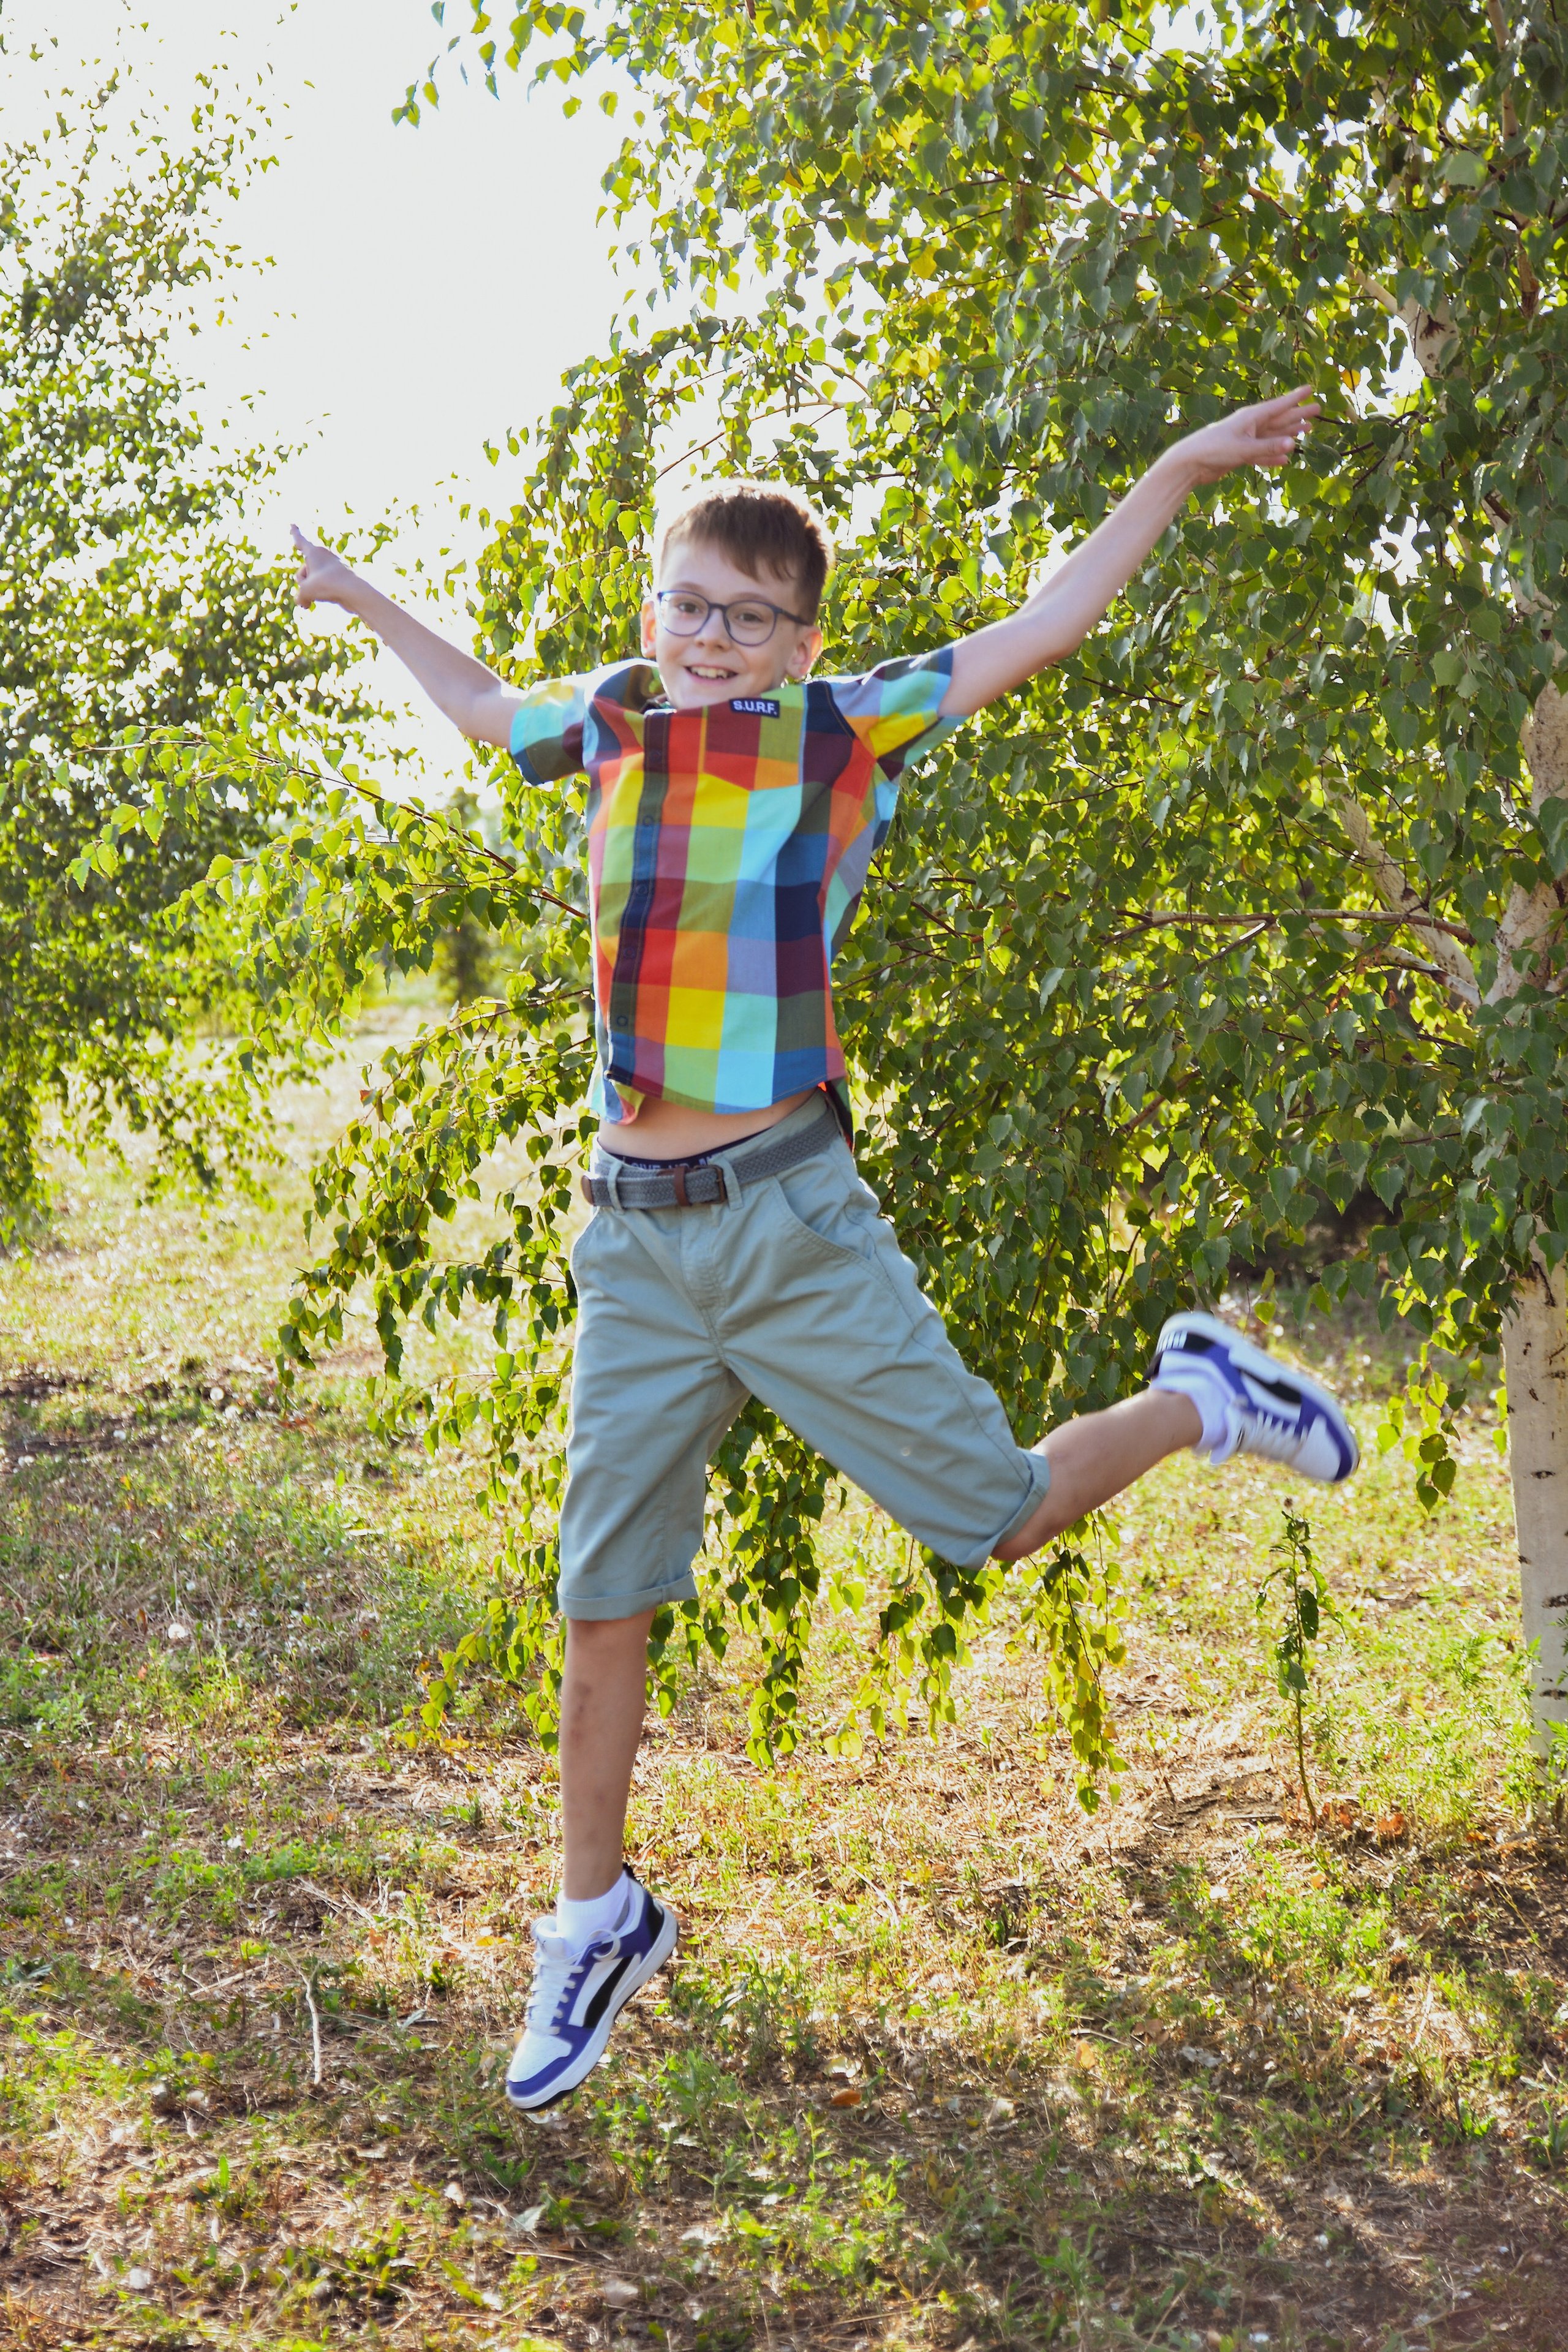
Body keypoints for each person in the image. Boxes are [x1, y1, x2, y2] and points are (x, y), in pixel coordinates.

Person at [292, 383, 1358, 2112]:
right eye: (688, 605)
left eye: (748, 617)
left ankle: (1198, 1398)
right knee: (599, 1599)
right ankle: (593, 1922)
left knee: (997, 1518)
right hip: (633, 1247)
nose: (710, 638)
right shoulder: (612, 724)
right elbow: (483, 704)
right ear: (656, 612)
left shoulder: (839, 735)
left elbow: (1042, 627)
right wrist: (360, 598)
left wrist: (1170, 469)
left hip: (787, 1221)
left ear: (801, 643)